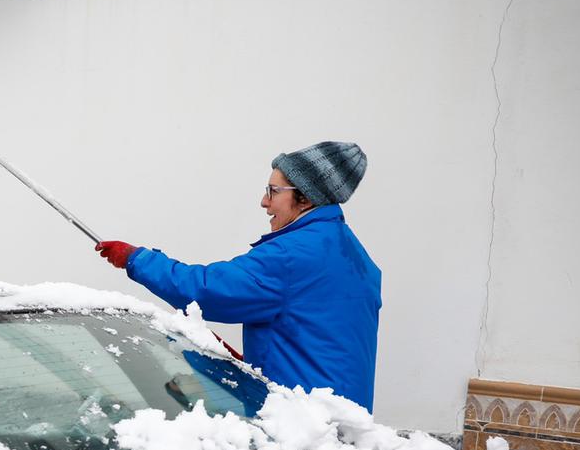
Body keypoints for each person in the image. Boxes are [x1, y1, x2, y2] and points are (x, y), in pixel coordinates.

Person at [95, 141, 382, 412]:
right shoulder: (354, 255)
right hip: (341, 420)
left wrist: (137, 258)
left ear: (305, 198)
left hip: (302, 422)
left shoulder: (291, 256)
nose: (263, 202)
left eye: (273, 191)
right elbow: (317, 337)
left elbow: (206, 290)